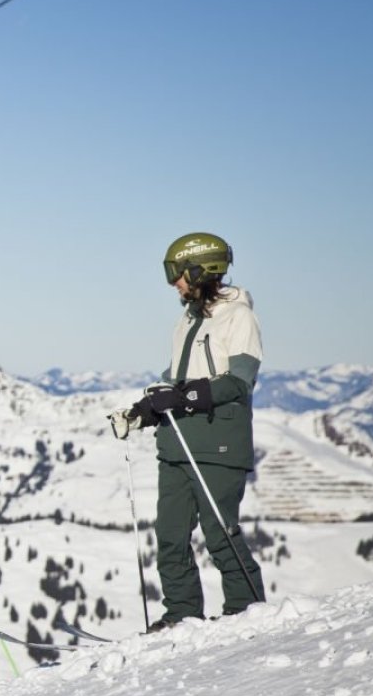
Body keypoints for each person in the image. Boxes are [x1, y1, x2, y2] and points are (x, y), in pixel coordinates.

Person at [112, 232, 266, 630]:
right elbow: (175, 381)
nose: (173, 283)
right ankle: (182, 614)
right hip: (177, 444)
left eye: (176, 274)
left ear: (202, 269)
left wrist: (184, 397)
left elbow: (239, 381)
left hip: (219, 444)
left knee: (220, 533)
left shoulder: (239, 317)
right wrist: (143, 411)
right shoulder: (187, 320)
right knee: (170, 536)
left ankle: (247, 612)